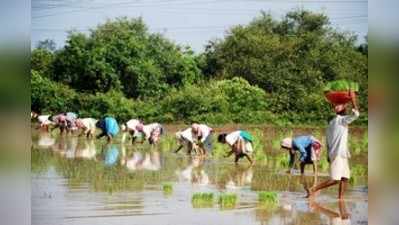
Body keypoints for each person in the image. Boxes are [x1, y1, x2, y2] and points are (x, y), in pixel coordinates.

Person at [306, 92, 359, 199]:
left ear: (344, 106)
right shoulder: (340, 120)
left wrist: (328, 155)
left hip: (342, 153)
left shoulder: (333, 122)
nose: (336, 107)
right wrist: (353, 100)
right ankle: (313, 189)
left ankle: (340, 199)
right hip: (338, 153)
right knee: (335, 179)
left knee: (345, 178)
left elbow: (328, 140)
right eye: (335, 105)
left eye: (338, 105)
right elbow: (356, 115)